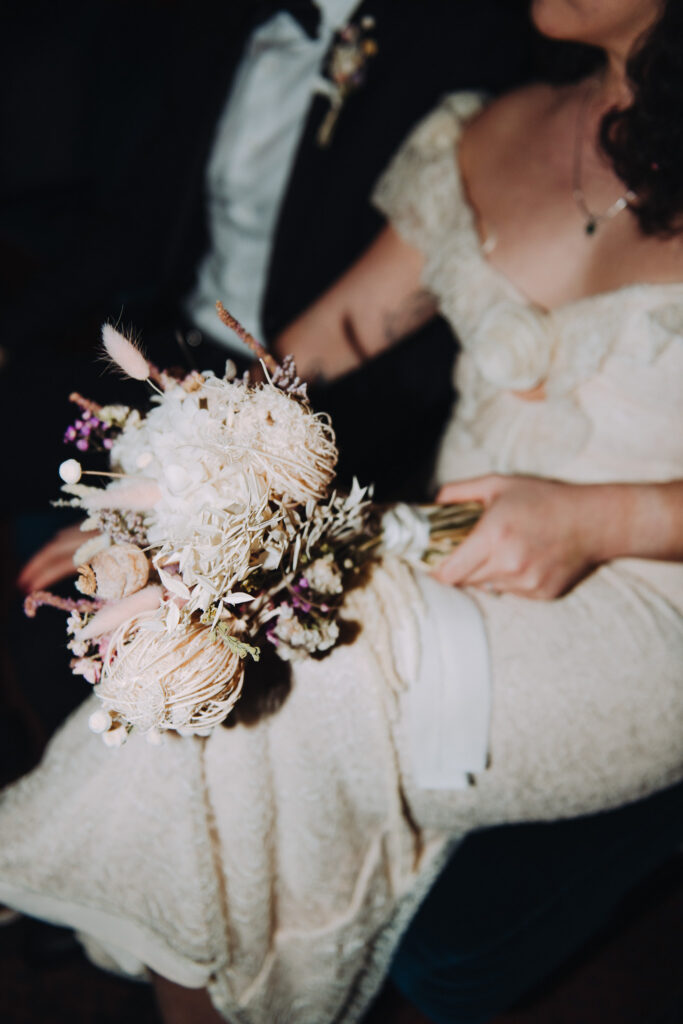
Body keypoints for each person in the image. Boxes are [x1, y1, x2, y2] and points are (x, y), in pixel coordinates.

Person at [2, 4, 683, 1024]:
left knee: (279, 676)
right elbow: (315, 348)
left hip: (642, 607)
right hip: (438, 549)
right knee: (204, 627)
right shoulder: (489, 128)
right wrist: (169, 496)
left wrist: (605, 519)